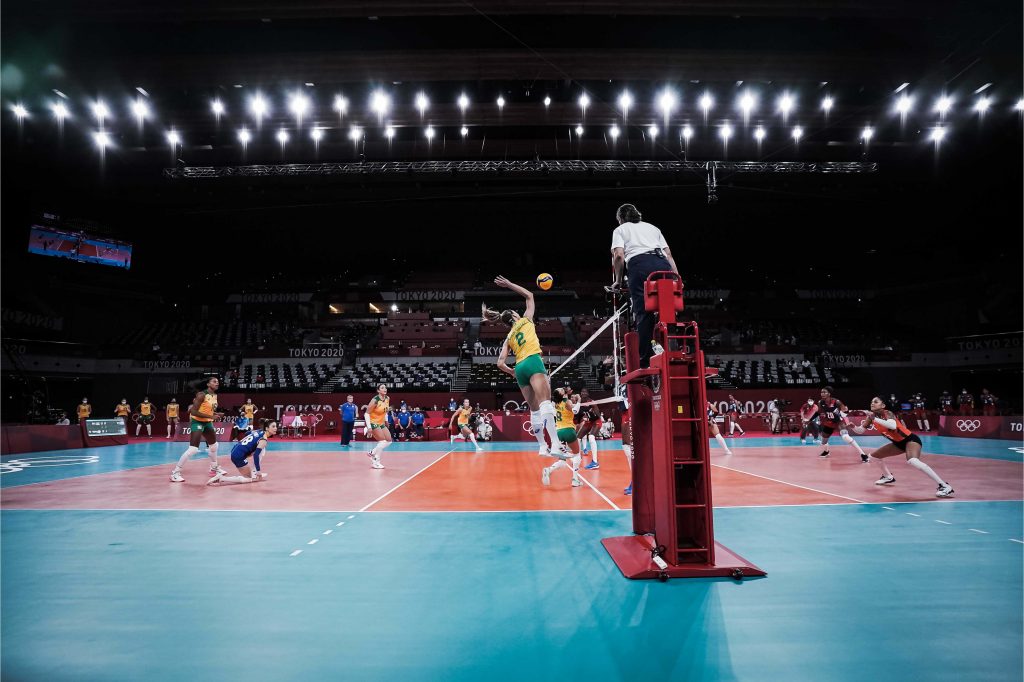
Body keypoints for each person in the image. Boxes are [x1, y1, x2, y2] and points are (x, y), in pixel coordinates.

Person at [486, 275, 562, 455]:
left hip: (520, 368)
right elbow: (529, 296)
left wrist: (512, 372)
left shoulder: (508, 337)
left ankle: (543, 447)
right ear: (514, 315)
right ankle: (557, 444)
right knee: (546, 403)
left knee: (534, 410)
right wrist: (509, 284)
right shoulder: (526, 320)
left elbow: (500, 363)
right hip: (533, 360)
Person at [608, 203, 681, 368]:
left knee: (643, 312)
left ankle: (646, 358)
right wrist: (677, 278)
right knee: (667, 309)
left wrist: (618, 281)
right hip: (662, 264)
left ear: (620, 218)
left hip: (640, 265)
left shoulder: (620, 230)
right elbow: (668, 254)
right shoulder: (653, 228)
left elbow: (619, 256)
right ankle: (672, 350)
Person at [858, 397, 954, 498]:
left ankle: (944, 486)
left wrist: (874, 418)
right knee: (874, 456)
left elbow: (892, 426)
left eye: (876, 402)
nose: (872, 403)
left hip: (910, 440)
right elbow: (860, 430)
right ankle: (888, 477)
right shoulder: (870, 418)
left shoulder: (888, 413)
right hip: (897, 444)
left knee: (913, 460)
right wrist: (852, 427)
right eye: (871, 402)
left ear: (883, 406)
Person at [170, 376, 226, 482]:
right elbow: (193, 412)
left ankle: (214, 469)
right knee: (193, 449)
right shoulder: (201, 395)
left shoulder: (214, 395)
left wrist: (215, 413)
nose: (217, 383)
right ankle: (175, 473)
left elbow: (206, 410)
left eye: (218, 382)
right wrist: (211, 417)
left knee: (214, 446)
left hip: (207, 423)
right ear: (208, 384)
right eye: (214, 382)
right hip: (198, 422)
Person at [207, 420, 279, 486]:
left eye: (276, 426)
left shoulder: (259, 431)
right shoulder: (264, 440)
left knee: (261, 449)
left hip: (235, 450)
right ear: (266, 428)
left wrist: (249, 445)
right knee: (249, 479)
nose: (275, 428)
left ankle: (254, 471)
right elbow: (256, 455)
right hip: (238, 456)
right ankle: (222, 478)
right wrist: (259, 471)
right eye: (273, 426)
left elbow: (247, 433)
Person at [541, 388, 583, 488]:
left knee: (562, 460)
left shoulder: (555, 404)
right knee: (577, 454)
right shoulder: (566, 402)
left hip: (559, 432)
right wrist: (579, 400)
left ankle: (549, 470)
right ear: (561, 394)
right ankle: (575, 480)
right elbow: (575, 411)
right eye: (560, 389)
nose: (561, 388)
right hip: (568, 430)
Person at [817, 386, 868, 462]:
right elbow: (818, 412)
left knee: (845, 437)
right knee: (823, 441)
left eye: (824, 392)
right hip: (829, 422)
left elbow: (845, 412)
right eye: (821, 392)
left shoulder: (836, 402)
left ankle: (863, 454)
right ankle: (826, 451)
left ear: (829, 394)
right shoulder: (820, 402)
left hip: (839, 422)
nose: (822, 394)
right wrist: (810, 419)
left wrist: (843, 412)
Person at [362, 384, 391, 469]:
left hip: (381, 422)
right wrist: (369, 427)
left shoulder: (387, 398)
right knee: (382, 441)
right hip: (373, 422)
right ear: (378, 391)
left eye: (385, 387)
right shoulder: (375, 400)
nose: (385, 389)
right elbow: (366, 413)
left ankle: (372, 452)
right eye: (382, 388)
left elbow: (385, 411)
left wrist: (386, 421)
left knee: (389, 441)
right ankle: (375, 462)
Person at [575, 389, 601, 469]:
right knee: (578, 438)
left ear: (588, 394)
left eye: (585, 392)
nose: (583, 393)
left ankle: (595, 462)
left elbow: (598, 415)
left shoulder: (591, 402)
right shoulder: (579, 404)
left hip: (596, 421)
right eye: (582, 392)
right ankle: (578, 456)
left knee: (591, 437)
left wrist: (591, 413)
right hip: (588, 422)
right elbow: (578, 418)